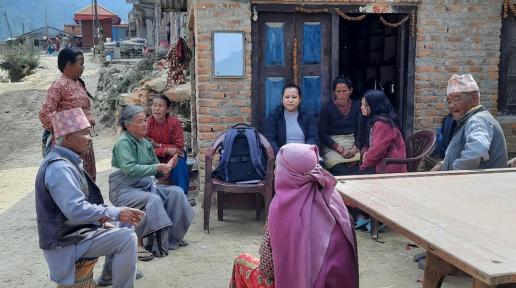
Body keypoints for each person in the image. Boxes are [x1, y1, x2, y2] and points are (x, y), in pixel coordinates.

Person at [35, 107, 144, 288]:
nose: (90, 138)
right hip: (65, 244)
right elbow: (75, 210)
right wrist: (114, 212)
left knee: (124, 225)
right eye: (85, 133)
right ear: (68, 137)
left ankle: (107, 277)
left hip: (75, 235)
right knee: (126, 238)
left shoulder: (67, 161)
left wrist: (102, 220)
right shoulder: (59, 168)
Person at [229, 143, 359, 288]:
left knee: (241, 261)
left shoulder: (282, 208)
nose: (275, 171)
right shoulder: (333, 197)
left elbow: (268, 269)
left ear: (290, 173)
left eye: (278, 167)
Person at [109, 105, 194, 261]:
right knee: (152, 200)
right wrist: (156, 167)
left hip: (145, 186)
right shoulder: (123, 143)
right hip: (124, 190)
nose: (144, 124)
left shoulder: (145, 143)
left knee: (177, 193)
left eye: (145, 120)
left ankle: (171, 237)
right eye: (140, 121)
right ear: (128, 126)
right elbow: (129, 169)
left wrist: (165, 169)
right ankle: (138, 243)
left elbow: (155, 171)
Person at [39, 48, 97, 180]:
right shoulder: (58, 86)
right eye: (80, 63)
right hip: (69, 142)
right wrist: (68, 131)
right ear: (68, 64)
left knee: (87, 176)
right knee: (72, 178)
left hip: (83, 138)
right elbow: (44, 114)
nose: (83, 67)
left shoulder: (78, 83)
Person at [432, 74, 508, 171]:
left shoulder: (477, 120)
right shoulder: (466, 121)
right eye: (449, 101)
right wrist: (442, 165)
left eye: (456, 98)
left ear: (474, 99)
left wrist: (453, 173)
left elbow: (478, 148)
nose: (451, 105)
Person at [146, 95, 195, 206]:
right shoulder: (147, 124)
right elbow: (147, 149)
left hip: (173, 155)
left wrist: (158, 145)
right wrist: (167, 150)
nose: (156, 109)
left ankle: (183, 194)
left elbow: (178, 147)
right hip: (154, 156)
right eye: (154, 105)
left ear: (167, 109)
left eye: (160, 106)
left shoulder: (174, 123)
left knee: (180, 158)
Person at [319, 76, 363, 175]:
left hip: (353, 145)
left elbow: (362, 129)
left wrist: (355, 147)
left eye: (344, 91)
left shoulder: (357, 106)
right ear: (334, 92)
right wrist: (340, 149)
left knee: (363, 168)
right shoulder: (327, 108)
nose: (342, 94)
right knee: (340, 171)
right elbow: (322, 133)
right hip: (333, 146)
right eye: (338, 91)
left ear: (350, 90)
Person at [359, 89, 407, 174]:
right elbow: (368, 143)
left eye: (365, 105)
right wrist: (364, 153)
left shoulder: (382, 124)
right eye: (362, 104)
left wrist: (363, 167)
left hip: (389, 167)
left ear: (374, 106)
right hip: (379, 164)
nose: (361, 107)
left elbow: (376, 152)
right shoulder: (374, 121)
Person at [263, 84, 318, 155]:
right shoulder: (274, 115)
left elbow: (313, 137)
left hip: (305, 153)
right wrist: (280, 153)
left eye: (294, 97)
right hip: (283, 154)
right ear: (282, 98)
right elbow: (269, 138)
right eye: (287, 97)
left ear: (300, 99)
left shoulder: (308, 115)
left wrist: (306, 151)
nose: (290, 100)